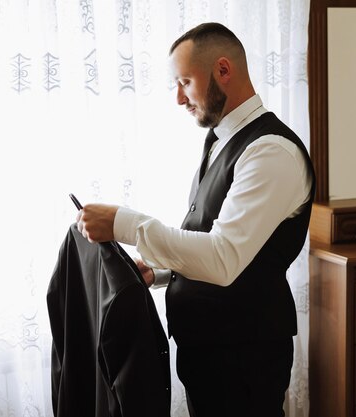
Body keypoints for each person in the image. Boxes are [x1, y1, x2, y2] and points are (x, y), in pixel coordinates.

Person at [76, 22, 315, 417]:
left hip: (244, 357)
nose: (179, 98)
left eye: (185, 82)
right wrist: (163, 272)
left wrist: (124, 222)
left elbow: (223, 258)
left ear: (223, 70)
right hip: (209, 350)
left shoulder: (271, 152)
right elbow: (216, 242)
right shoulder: (223, 140)